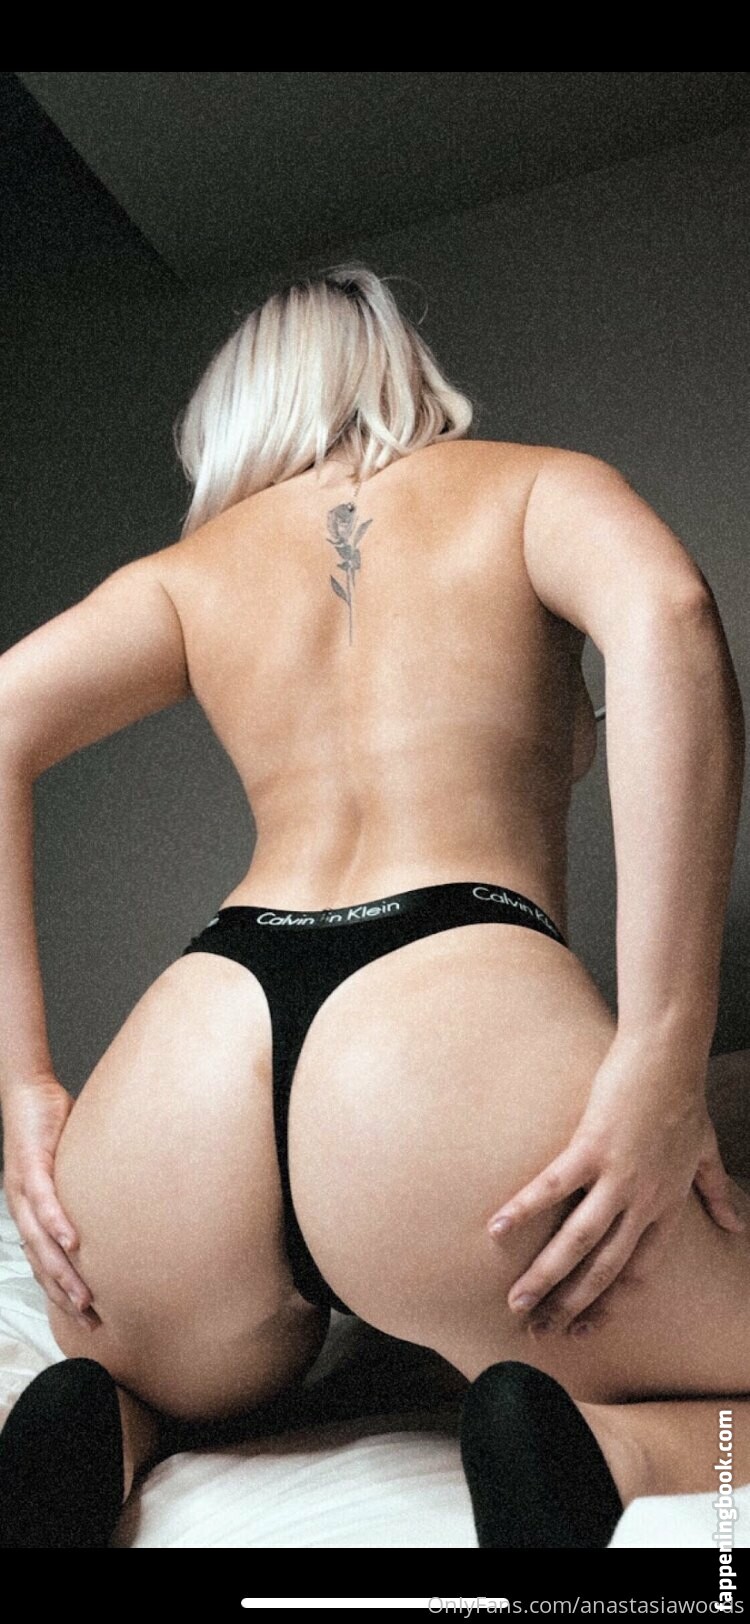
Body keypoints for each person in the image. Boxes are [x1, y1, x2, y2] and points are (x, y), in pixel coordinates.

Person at [0, 263, 747, 1550]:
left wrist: (24, 1086)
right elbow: (669, 611)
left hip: (193, 1065)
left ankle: (109, 1426)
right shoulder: (533, 486)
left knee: (143, 1371)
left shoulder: (192, 571)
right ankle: (609, 1449)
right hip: (437, 1043)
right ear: (405, 365)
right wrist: (664, 1053)